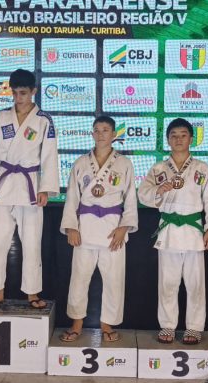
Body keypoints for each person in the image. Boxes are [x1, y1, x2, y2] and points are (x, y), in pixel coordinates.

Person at [0, 69, 59, 310]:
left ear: (33, 91)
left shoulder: (44, 120)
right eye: (15, 93)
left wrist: (46, 188)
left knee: (32, 240)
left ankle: (32, 292)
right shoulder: (1, 118)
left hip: (30, 185)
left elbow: (50, 156)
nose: (18, 98)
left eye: (23, 93)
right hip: (3, 185)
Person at [138, 118, 208, 344]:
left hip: (194, 232)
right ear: (167, 139)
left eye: (183, 135)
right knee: (167, 283)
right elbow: (143, 195)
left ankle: (194, 327)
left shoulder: (202, 169)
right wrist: (159, 189)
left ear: (191, 139)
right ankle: (167, 325)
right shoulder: (158, 169)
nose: (178, 139)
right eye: (174, 135)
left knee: (195, 284)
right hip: (168, 232)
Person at [60, 116, 138, 342]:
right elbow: (72, 198)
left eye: (106, 130)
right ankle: (76, 323)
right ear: (92, 134)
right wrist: (71, 227)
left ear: (114, 135)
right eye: (97, 130)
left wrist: (125, 227)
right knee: (79, 278)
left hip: (113, 228)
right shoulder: (81, 163)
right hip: (84, 227)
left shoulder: (124, 163)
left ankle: (107, 325)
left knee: (114, 279)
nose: (101, 133)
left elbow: (130, 199)